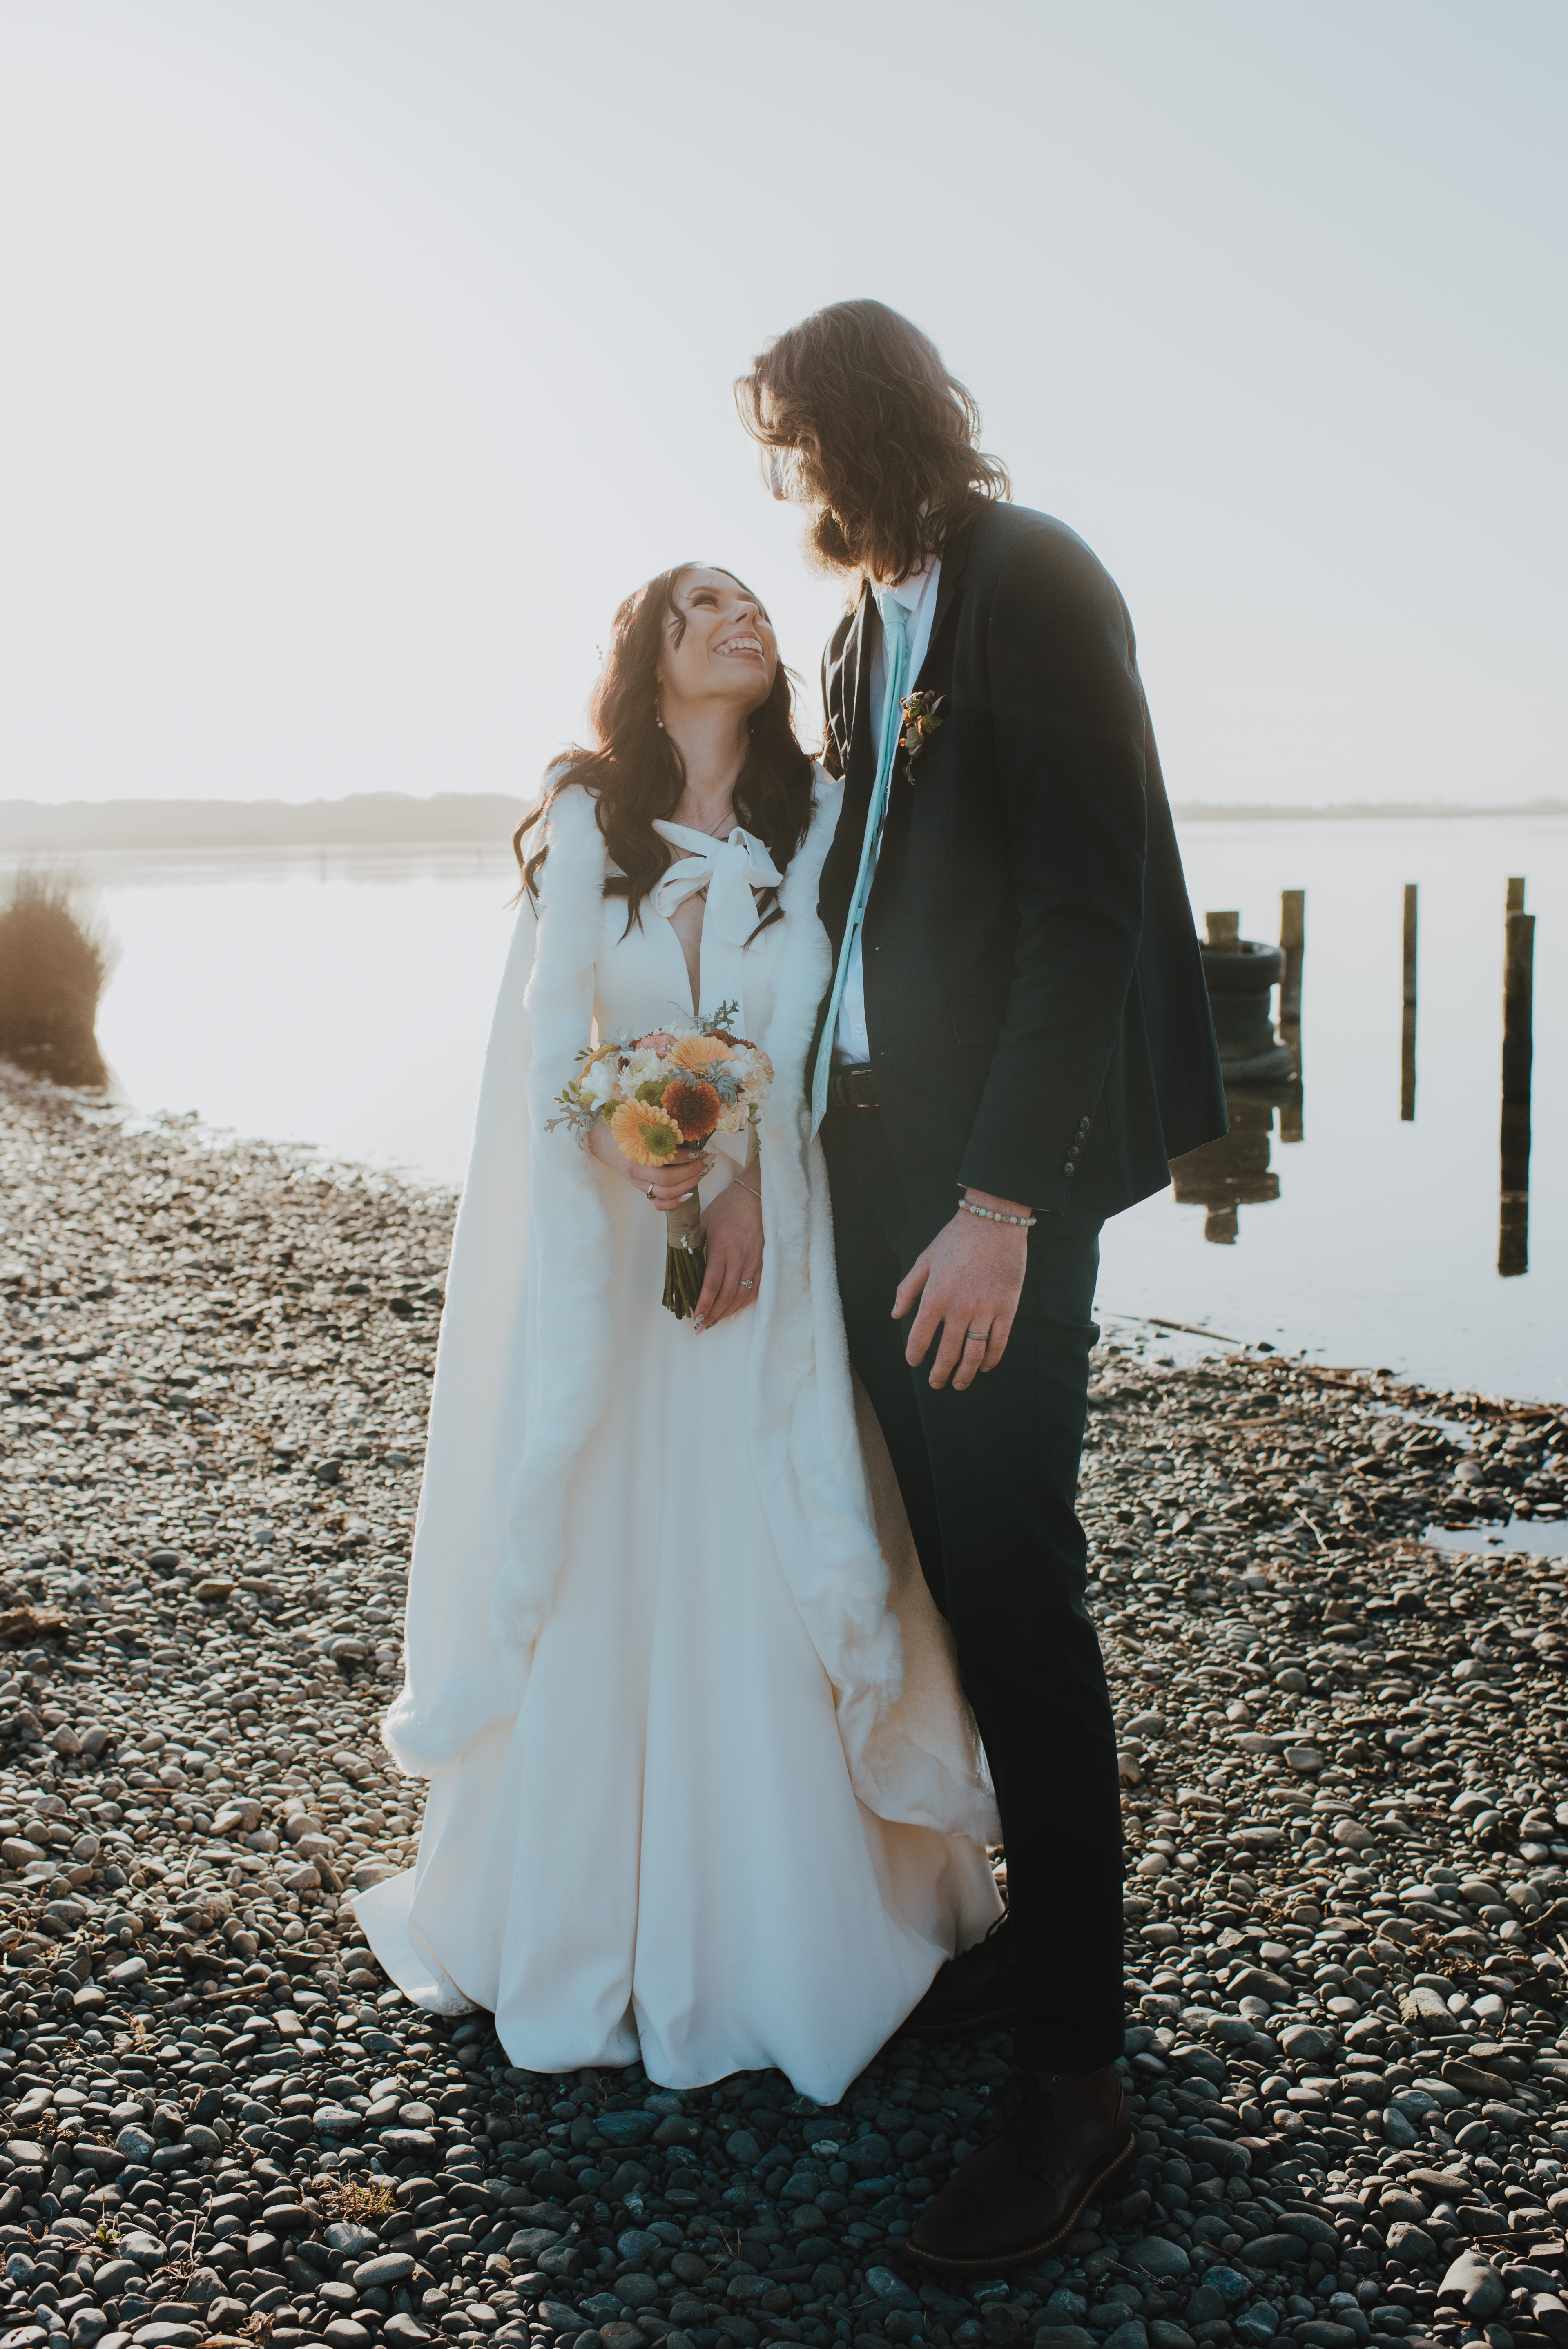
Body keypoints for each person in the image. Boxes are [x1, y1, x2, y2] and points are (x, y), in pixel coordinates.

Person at [354, 561, 1005, 2104]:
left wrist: (740, 1188)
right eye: (699, 605)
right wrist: (634, 1154)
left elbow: (823, 1040)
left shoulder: (819, 823)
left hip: (772, 1258)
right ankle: (581, 1917)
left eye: (749, 602)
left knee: (771, 1542)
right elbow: (551, 1050)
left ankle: (790, 1927)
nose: (740, 617)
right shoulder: (588, 821)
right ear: (649, 658)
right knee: (607, 1550)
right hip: (622, 1277)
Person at [737, 301, 1227, 2264]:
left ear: (843, 427)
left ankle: (1079, 2091)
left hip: (995, 1188)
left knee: (1020, 1586)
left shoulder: (1038, 582)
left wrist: (1005, 1202)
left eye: (786, 444)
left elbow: (1088, 905)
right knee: (938, 1556)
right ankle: (1049, 1934)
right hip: (873, 1163)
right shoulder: (867, 628)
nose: (779, 486)